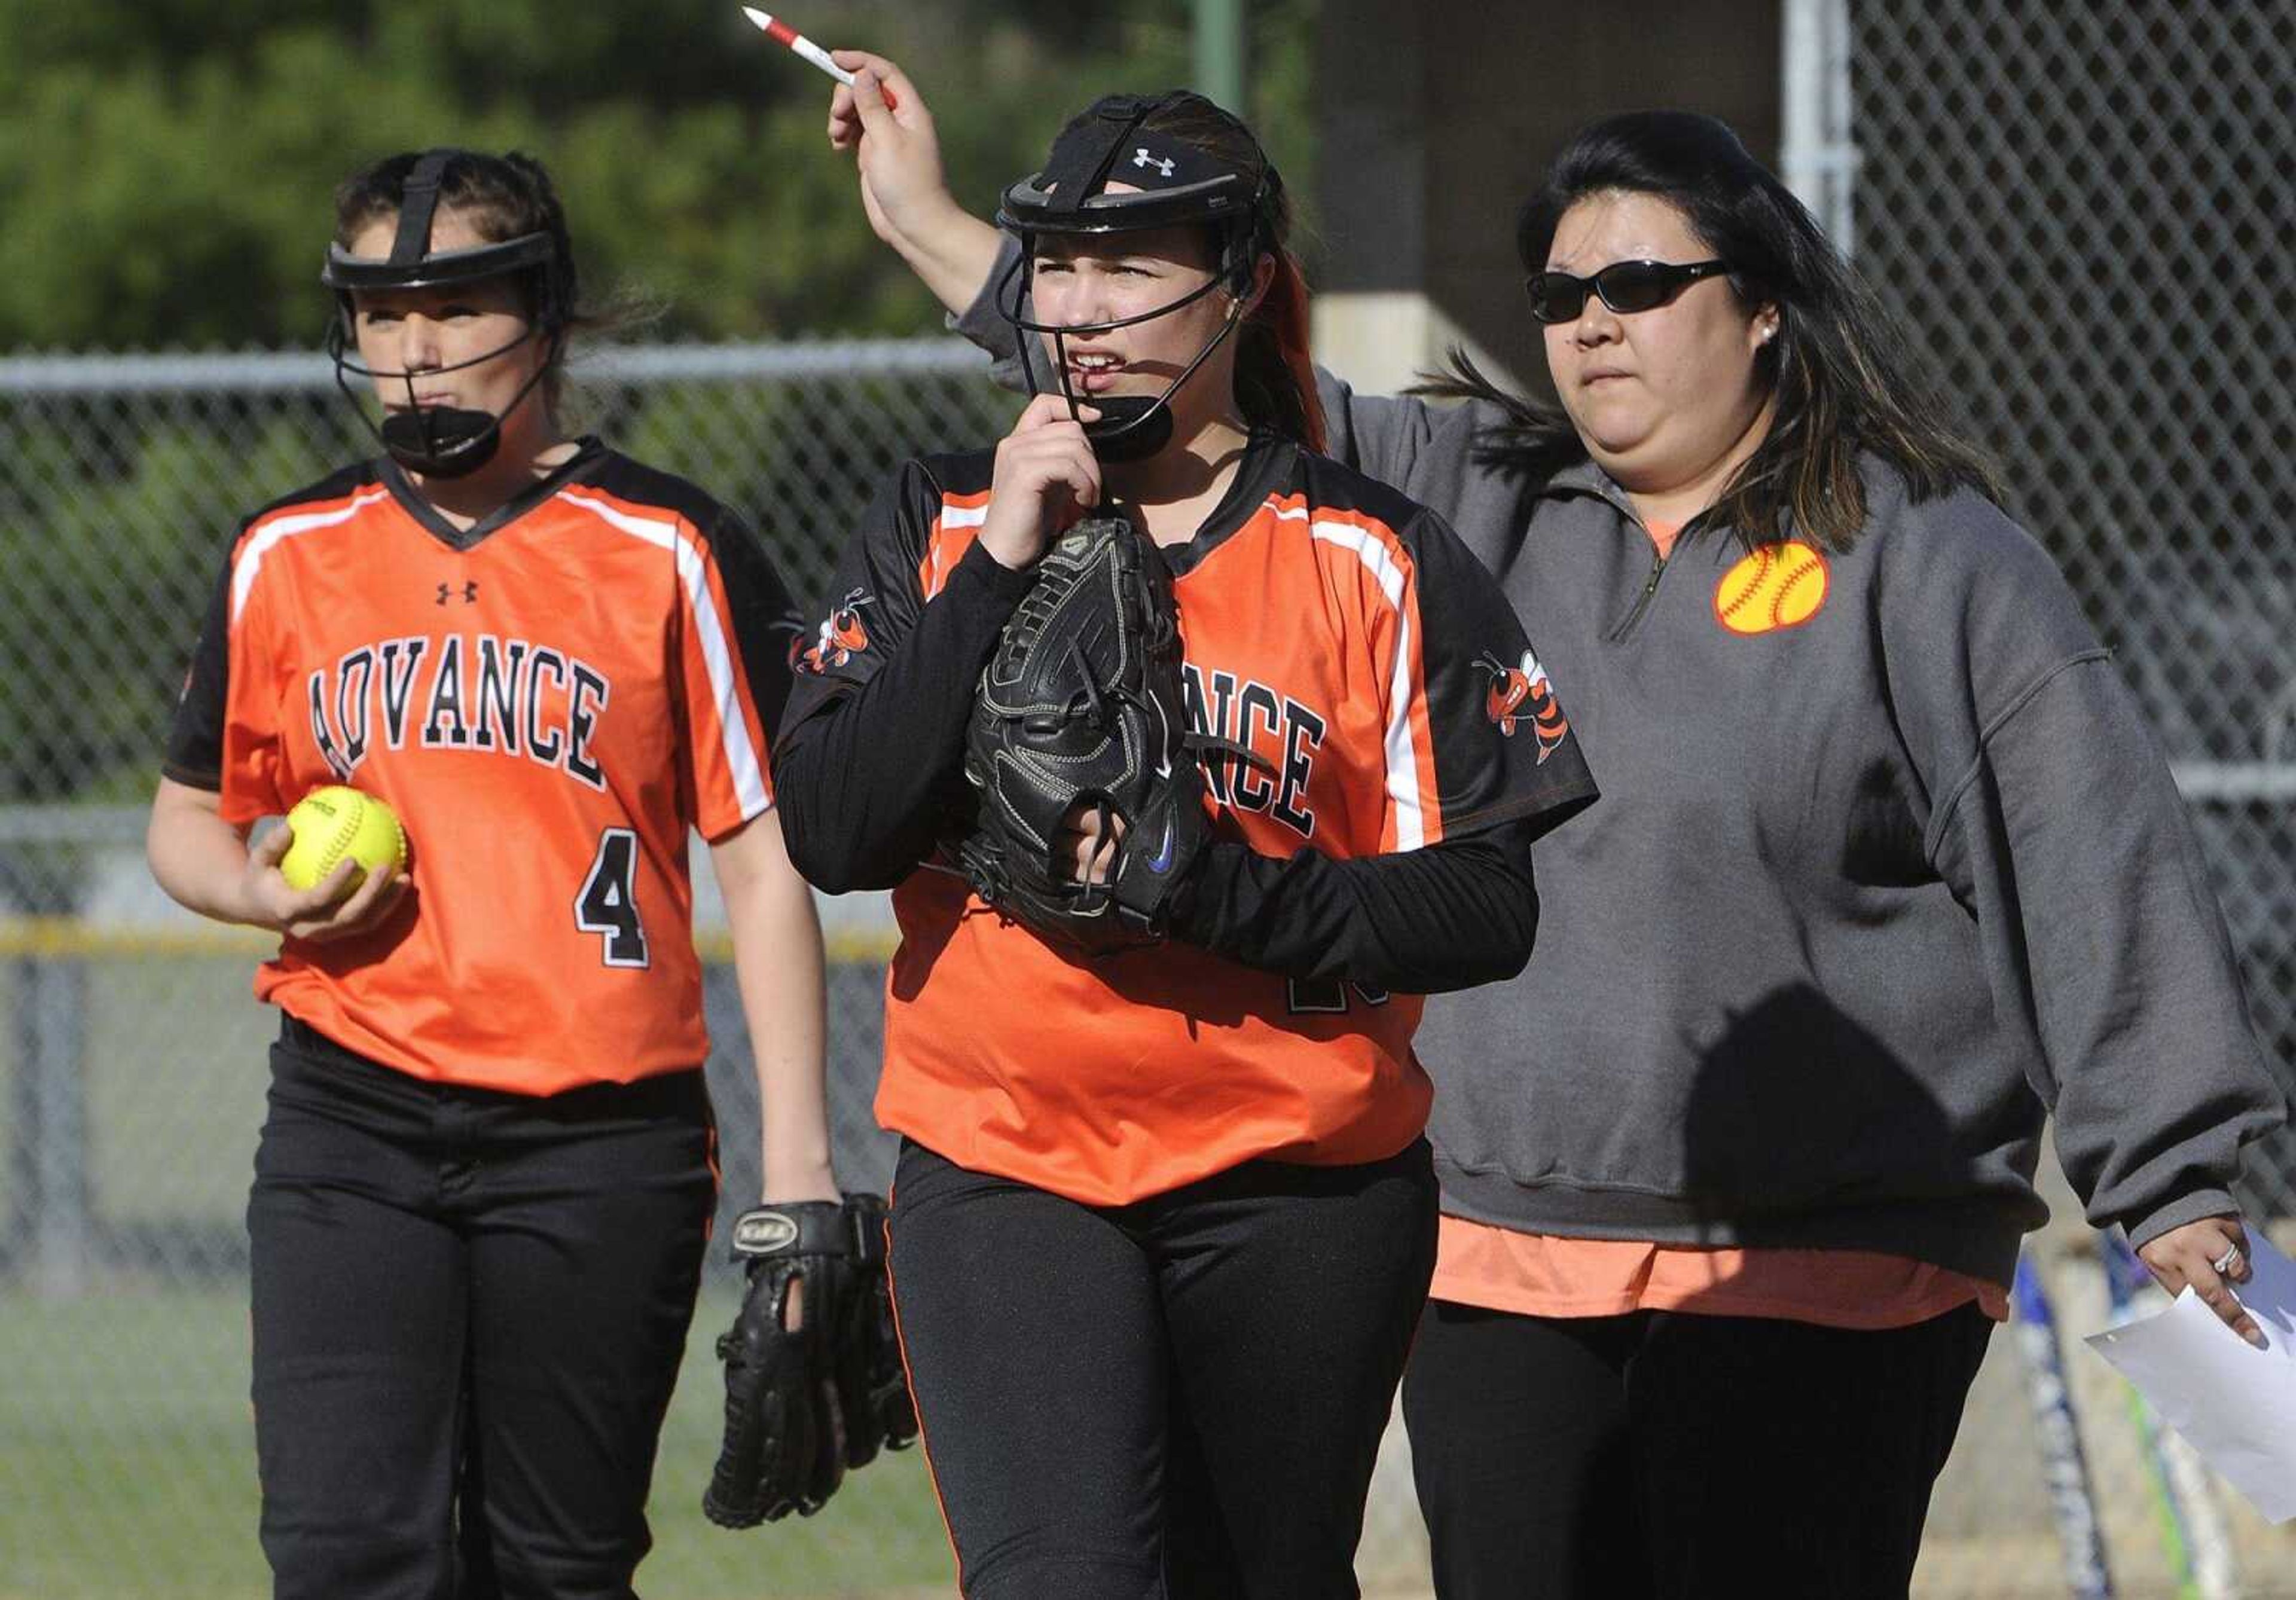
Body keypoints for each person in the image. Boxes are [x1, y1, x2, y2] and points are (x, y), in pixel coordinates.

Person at [828, 74, 2287, 1600]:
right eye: (1561, 293)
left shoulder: (1925, 560)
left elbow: (2087, 857)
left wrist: (2170, 1174)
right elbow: (1184, 357)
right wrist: (937, 222)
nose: (1593, 323)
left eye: (1642, 286)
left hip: (1831, 1262)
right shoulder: (1474, 503)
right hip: (1505, 1255)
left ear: (1767, 306)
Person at [773, 87, 1596, 1599]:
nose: (1082, 309)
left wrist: (1208, 890)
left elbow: (1489, 905)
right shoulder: (942, 520)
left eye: (1131, 264)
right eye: (1060, 265)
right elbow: (835, 828)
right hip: (1006, 1162)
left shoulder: (1372, 553)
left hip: (1294, 1189)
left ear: (1240, 284)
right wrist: (1000, 562)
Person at [145, 146, 859, 1599]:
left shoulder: (669, 545)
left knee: (552, 1566)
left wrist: (804, 1174)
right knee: (345, 1554)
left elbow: (764, 864)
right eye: (381, 315)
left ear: (542, 311)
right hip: (353, 1119)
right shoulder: (289, 552)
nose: (412, 354)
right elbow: (186, 824)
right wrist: (255, 893)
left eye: (453, 307)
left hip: (600, 1140)